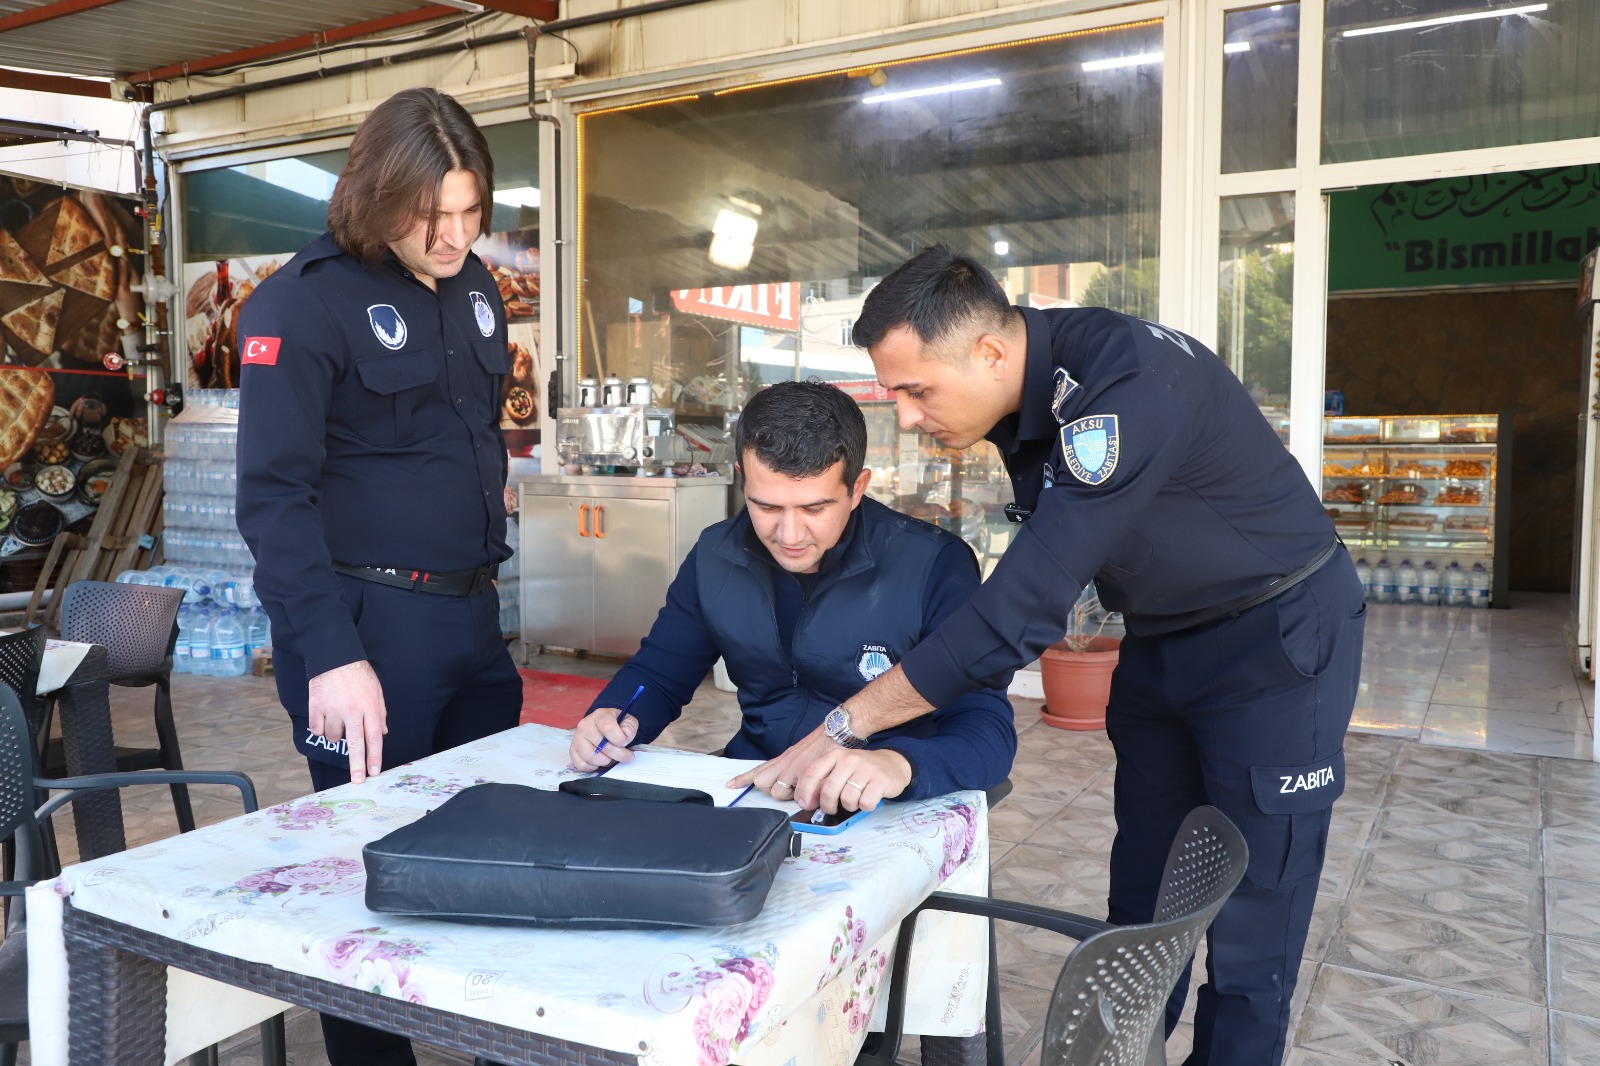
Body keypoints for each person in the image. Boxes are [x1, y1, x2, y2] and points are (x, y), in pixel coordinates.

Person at [734, 247, 1365, 1066]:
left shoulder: (1124, 388)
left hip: (1277, 637)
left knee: (1254, 920)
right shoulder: (1023, 393)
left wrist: (849, 723)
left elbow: (1021, 609)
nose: (908, 418)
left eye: (918, 390)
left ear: (991, 353)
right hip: (1163, 635)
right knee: (1143, 893)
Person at [236, 87, 521, 1066]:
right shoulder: (300, 303)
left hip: (473, 619)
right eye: (429, 215)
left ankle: (490, 1038)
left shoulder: (474, 285)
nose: (454, 236)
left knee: (490, 854)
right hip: (368, 631)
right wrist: (330, 653)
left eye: (470, 211)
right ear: (374, 194)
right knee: (368, 873)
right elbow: (272, 499)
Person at [569, 379, 1015, 817]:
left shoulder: (933, 565)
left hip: (878, 801)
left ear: (857, 488)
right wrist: (612, 716)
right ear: (742, 477)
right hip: (755, 789)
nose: (789, 535)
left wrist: (899, 764)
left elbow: (986, 727)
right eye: (766, 506)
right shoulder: (714, 555)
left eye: (814, 508)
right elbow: (659, 673)